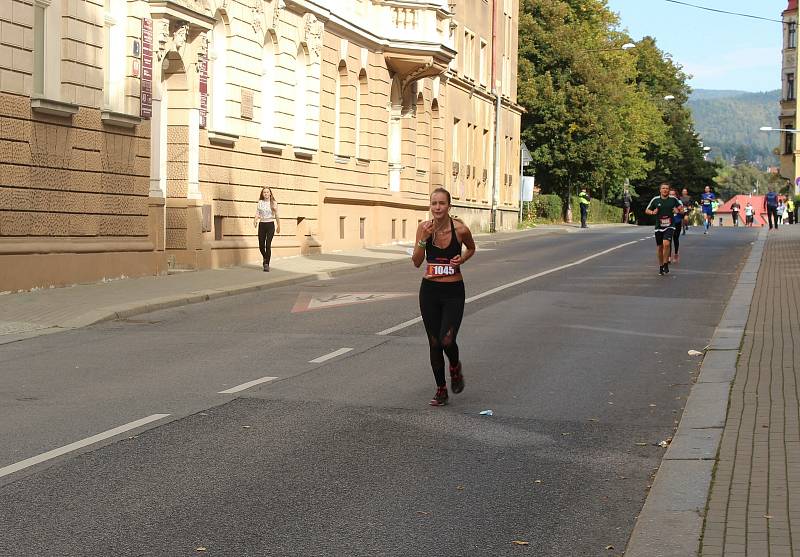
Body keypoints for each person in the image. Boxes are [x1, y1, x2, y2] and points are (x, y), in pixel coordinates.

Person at [412, 188, 476, 406]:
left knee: (447, 339)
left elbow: (471, 248)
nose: (437, 207)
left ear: (449, 206)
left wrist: (463, 260)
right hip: (429, 292)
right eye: (434, 203)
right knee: (434, 342)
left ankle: (455, 367)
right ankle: (441, 390)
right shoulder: (423, 228)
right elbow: (416, 261)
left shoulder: (460, 229)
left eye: (441, 203)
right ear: (430, 206)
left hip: (453, 292)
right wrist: (424, 240)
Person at [646, 183, 682, 276]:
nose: (665, 190)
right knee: (659, 248)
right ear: (660, 190)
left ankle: (666, 263)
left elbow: (681, 209)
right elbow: (647, 210)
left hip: (670, 225)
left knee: (666, 244)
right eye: (663, 188)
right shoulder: (655, 199)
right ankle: (661, 266)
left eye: (667, 188)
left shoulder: (673, 199)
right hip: (659, 226)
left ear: (669, 190)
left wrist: (677, 211)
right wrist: (653, 212)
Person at [253, 186, 280, 271]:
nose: (266, 193)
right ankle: (265, 257)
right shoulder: (260, 202)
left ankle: (266, 264)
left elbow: (277, 215)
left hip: (270, 225)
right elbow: (257, 213)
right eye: (264, 192)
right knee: (261, 246)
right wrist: (255, 220)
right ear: (262, 194)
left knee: (268, 245)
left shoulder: (274, 203)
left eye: (267, 192)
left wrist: (279, 225)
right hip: (262, 225)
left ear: (270, 193)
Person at [669, 187, 683, 263]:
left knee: (675, 238)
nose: (672, 196)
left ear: (676, 195)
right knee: (669, 239)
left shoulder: (679, 202)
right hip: (669, 222)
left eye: (673, 194)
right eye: (670, 194)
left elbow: (682, 212)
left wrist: (677, 211)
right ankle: (669, 256)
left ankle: (676, 254)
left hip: (677, 221)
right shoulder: (666, 201)